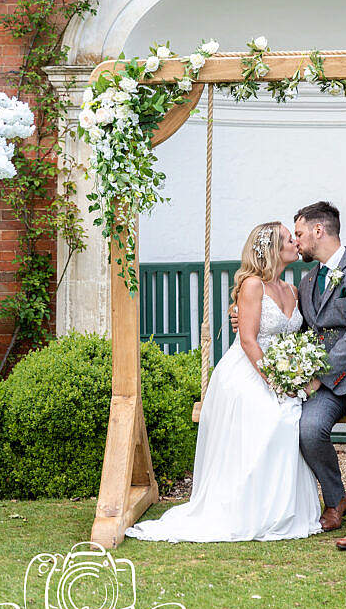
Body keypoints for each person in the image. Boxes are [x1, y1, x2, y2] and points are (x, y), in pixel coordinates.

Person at [125, 221, 322, 543]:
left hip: (281, 370)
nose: (296, 244)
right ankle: (249, 508)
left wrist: (296, 374)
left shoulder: (293, 290)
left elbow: (298, 336)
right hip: (250, 370)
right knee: (272, 417)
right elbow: (247, 341)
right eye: (289, 239)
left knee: (291, 419)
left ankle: (285, 509)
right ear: (274, 249)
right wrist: (276, 382)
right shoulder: (253, 286)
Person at [232, 201, 346, 550]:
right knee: (308, 426)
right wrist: (243, 318)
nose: (297, 240)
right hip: (330, 380)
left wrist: (318, 377)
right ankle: (337, 500)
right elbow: (297, 329)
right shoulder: (307, 283)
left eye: (300, 233)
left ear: (319, 231)